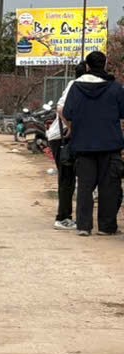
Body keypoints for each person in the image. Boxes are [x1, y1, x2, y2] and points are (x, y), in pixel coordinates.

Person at [61, 50, 124, 236]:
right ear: (105, 65)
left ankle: (83, 226)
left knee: (85, 188)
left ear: (87, 66)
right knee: (109, 188)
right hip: (110, 144)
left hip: (83, 145)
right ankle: (106, 226)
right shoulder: (115, 88)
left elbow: (68, 112)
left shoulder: (75, 87)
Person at [48, 61, 87, 230]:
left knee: (71, 178)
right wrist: (70, 128)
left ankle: (68, 216)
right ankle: (62, 217)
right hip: (61, 138)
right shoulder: (75, 85)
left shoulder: (80, 85)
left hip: (65, 137)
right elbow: (61, 108)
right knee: (66, 178)